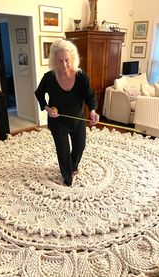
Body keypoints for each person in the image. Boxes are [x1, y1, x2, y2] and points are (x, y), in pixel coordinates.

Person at [35, 39, 99, 186]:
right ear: (53, 61)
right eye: (59, 61)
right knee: (63, 151)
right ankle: (67, 176)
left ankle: (73, 166)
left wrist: (93, 111)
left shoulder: (82, 77)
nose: (64, 65)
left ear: (73, 59)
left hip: (78, 119)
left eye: (67, 60)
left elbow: (90, 96)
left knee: (79, 146)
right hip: (58, 122)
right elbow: (39, 94)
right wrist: (47, 108)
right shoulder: (49, 77)